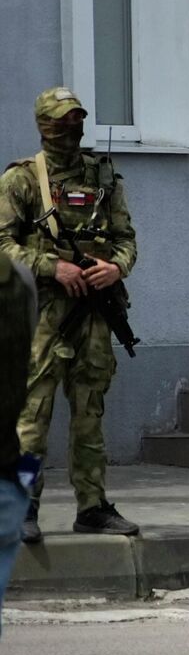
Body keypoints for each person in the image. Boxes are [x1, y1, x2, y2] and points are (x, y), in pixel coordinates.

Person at [0, 86, 140, 542]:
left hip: (94, 315)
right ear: (44, 125)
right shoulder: (22, 180)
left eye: (77, 120)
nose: (72, 129)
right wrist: (51, 266)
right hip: (40, 316)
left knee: (89, 414)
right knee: (31, 416)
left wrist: (114, 267)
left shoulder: (102, 177)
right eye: (62, 122)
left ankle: (93, 507)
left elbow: (126, 238)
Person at [1, 258, 39, 625]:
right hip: (9, 483)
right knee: (33, 428)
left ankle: (93, 505)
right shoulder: (19, 280)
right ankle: (29, 505)